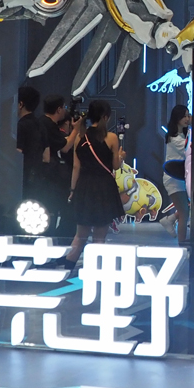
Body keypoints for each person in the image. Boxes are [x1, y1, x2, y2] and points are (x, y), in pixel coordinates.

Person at [61, 100, 126, 268]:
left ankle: (68, 265)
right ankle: (96, 269)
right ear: (106, 117)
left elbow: (76, 167)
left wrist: (73, 189)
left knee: (80, 234)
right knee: (100, 236)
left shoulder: (80, 137)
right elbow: (116, 166)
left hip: (84, 187)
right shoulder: (111, 138)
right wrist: (120, 157)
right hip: (104, 188)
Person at [42, 94, 81, 238]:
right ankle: (56, 239)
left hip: (47, 177)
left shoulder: (44, 123)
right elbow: (65, 147)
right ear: (59, 109)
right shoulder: (48, 125)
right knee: (54, 211)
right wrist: (76, 130)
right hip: (51, 179)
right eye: (64, 107)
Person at [16, 86, 48, 220]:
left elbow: (17, 154)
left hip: (22, 180)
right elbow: (46, 157)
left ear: (20, 104)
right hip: (38, 178)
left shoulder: (20, 126)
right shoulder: (40, 124)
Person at [160, 105, 191, 244]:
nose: (187, 118)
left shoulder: (183, 135)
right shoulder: (174, 138)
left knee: (186, 209)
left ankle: (170, 219)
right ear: (177, 117)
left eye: (188, 115)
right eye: (184, 116)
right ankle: (182, 244)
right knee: (184, 213)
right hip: (173, 179)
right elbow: (188, 150)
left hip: (181, 178)